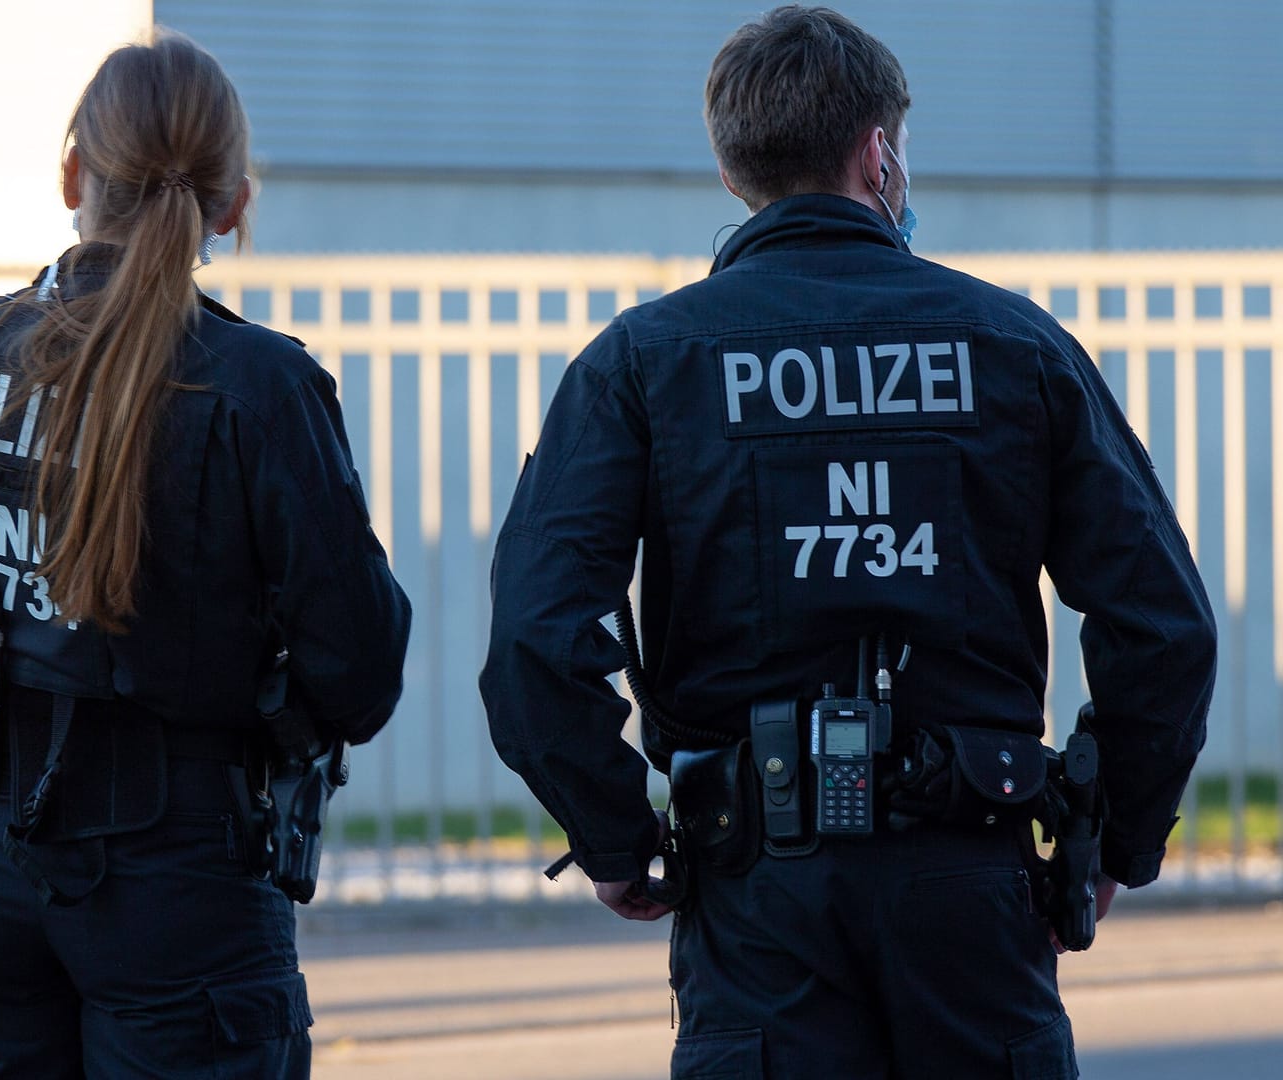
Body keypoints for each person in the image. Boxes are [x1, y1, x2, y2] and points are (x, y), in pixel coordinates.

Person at [479, 6, 1215, 1077]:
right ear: (879, 156)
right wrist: (1118, 837)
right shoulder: (1015, 347)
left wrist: (615, 835)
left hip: (757, 898)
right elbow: (1164, 622)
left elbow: (535, 640)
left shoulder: (644, 362)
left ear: (736, 172)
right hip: (972, 883)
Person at [0, 31, 410, 1078]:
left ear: (73, 174)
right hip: (184, 895)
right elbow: (362, 673)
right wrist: (262, 709)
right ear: (234, 203)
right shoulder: (259, 389)